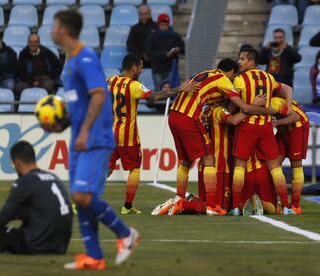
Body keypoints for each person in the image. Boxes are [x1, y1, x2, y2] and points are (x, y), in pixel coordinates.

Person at [49, 10, 139, 271]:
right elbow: (80, 102)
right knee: (80, 198)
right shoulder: (70, 60)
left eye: (54, 26)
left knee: (81, 195)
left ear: (64, 30)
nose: (52, 31)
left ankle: (125, 234)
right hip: (80, 137)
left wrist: (86, 130)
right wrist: (63, 124)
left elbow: (99, 96)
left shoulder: (86, 57)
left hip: (95, 138)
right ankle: (95, 256)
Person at [159, 58, 272, 216]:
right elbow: (242, 109)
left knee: (185, 161)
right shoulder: (223, 83)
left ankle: (180, 198)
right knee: (208, 159)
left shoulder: (205, 74)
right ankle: (198, 204)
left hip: (174, 114)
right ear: (231, 72)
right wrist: (262, 107)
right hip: (191, 120)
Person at [106, 54, 196, 215]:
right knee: (134, 169)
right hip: (128, 135)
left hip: (111, 132)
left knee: (105, 168)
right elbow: (155, 97)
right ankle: (127, 207)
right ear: (133, 67)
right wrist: (179, 89)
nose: (141, 71)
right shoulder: (133, 86)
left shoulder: (110, 80)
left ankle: (81, 199)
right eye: (140, 67)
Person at [231, 47, 295, 216]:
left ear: (251, 62)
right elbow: (285, 89)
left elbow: (232, 106)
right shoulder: (269, 77)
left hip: (248, 125)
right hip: (266, 126)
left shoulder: (240, 79)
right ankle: (286, 207)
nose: (239, 62)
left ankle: (236, 206)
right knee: (275, 167)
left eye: (242, 59)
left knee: (240, 165)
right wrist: (286, 106)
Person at [271, 96, 309, 214]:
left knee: (296, 165)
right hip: (283, 129)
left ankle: (295, 206)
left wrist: (277, 123)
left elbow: (295, 116)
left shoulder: (274, 102)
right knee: (273, 164)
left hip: (297, 127)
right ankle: (278, 202)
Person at [15, 33, 62, 99]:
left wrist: (51, 76)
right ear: (28, 42)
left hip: (45, 78)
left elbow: (58, 66)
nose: (33, 44)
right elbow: (20, 72)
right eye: (31, 42)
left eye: (35, 42)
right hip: (28, 80)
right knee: (18, 87)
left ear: (39, 42)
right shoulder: (23, 54)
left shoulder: (46, 52)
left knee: (49, 85)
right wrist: (32, 82)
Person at [145, 13, 185, 91]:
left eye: (166, 25)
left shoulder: (175, 36)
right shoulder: (152, 37)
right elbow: (149, 53)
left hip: (171, 68)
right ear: (158, 24)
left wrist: (178, 49)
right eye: (162, 25)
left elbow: (184, 50)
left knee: (172, 91)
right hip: (157, 69)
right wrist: (165, 55)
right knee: (159, 92)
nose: (164, 27)